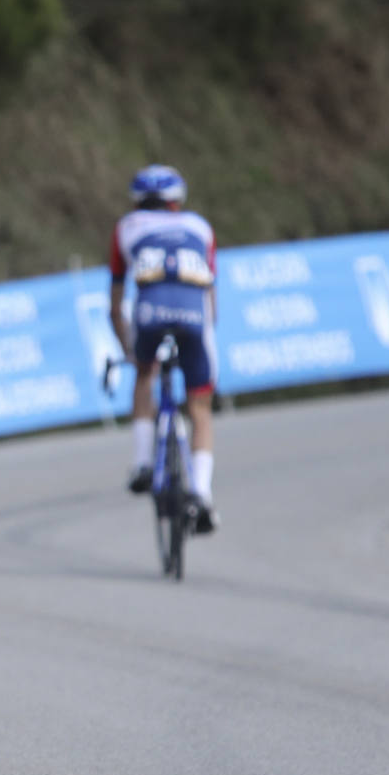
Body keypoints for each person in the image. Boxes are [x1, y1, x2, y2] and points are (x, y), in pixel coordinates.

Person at [108, 165, 219, 533]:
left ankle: (142, 464)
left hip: (150, 313)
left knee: (144, 374)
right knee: (200, 407)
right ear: (178, 200)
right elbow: (211, 301)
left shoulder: (127, 228)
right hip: (193, 315)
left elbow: (116, 303)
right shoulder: (201, 228)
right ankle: (201, 494)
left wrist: (129, 350)